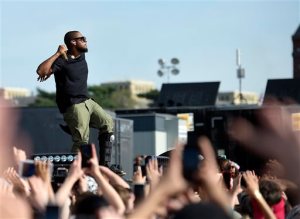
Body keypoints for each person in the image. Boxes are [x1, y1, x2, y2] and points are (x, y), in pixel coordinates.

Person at [36, 31, 114, 167]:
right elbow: (41, 72)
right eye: (82, 39)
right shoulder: (62, 61)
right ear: (73, 42)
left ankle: (104, 165)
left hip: (87, 101)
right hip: (73, 105)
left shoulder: (81, 56)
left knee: (107, 123)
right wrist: (57, 54)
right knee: (82, 140)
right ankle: (75, 169)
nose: (86, 41)